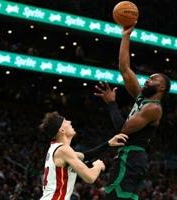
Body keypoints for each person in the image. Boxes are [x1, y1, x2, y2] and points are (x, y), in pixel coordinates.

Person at [94, 25, 171, 200]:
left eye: (152, 79)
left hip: (132, 158)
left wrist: (112, 103)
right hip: (130, 158)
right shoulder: (142, 99)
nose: (147, 80)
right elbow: (125, 69)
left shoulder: (153, 108)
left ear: (161, 87)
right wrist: (126, 36)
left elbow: (122, 130)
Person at [39, 111, 128, 200]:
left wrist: (108, 144)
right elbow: (90, 177)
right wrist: (98, 165)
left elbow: (85, 155)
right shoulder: (63, 150)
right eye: (65, 121)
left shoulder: (56, 148)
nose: (69, 122)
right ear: (62, 130)